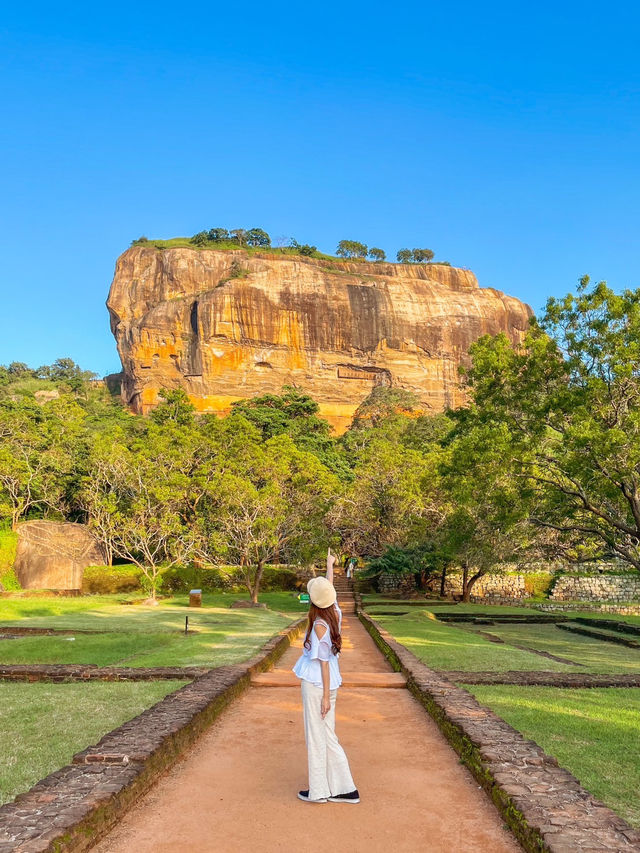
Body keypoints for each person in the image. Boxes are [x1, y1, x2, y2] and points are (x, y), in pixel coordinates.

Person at [292, 548, 360, 804]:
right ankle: (342, 788)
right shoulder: (335, 613)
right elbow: (328, 590)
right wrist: (329, 564)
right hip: (327, 684)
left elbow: (322, 663)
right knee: (327, 734)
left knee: (318, 736)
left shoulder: (320, 625)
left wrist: (325, 698)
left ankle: (323, 790)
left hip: (317, 685)